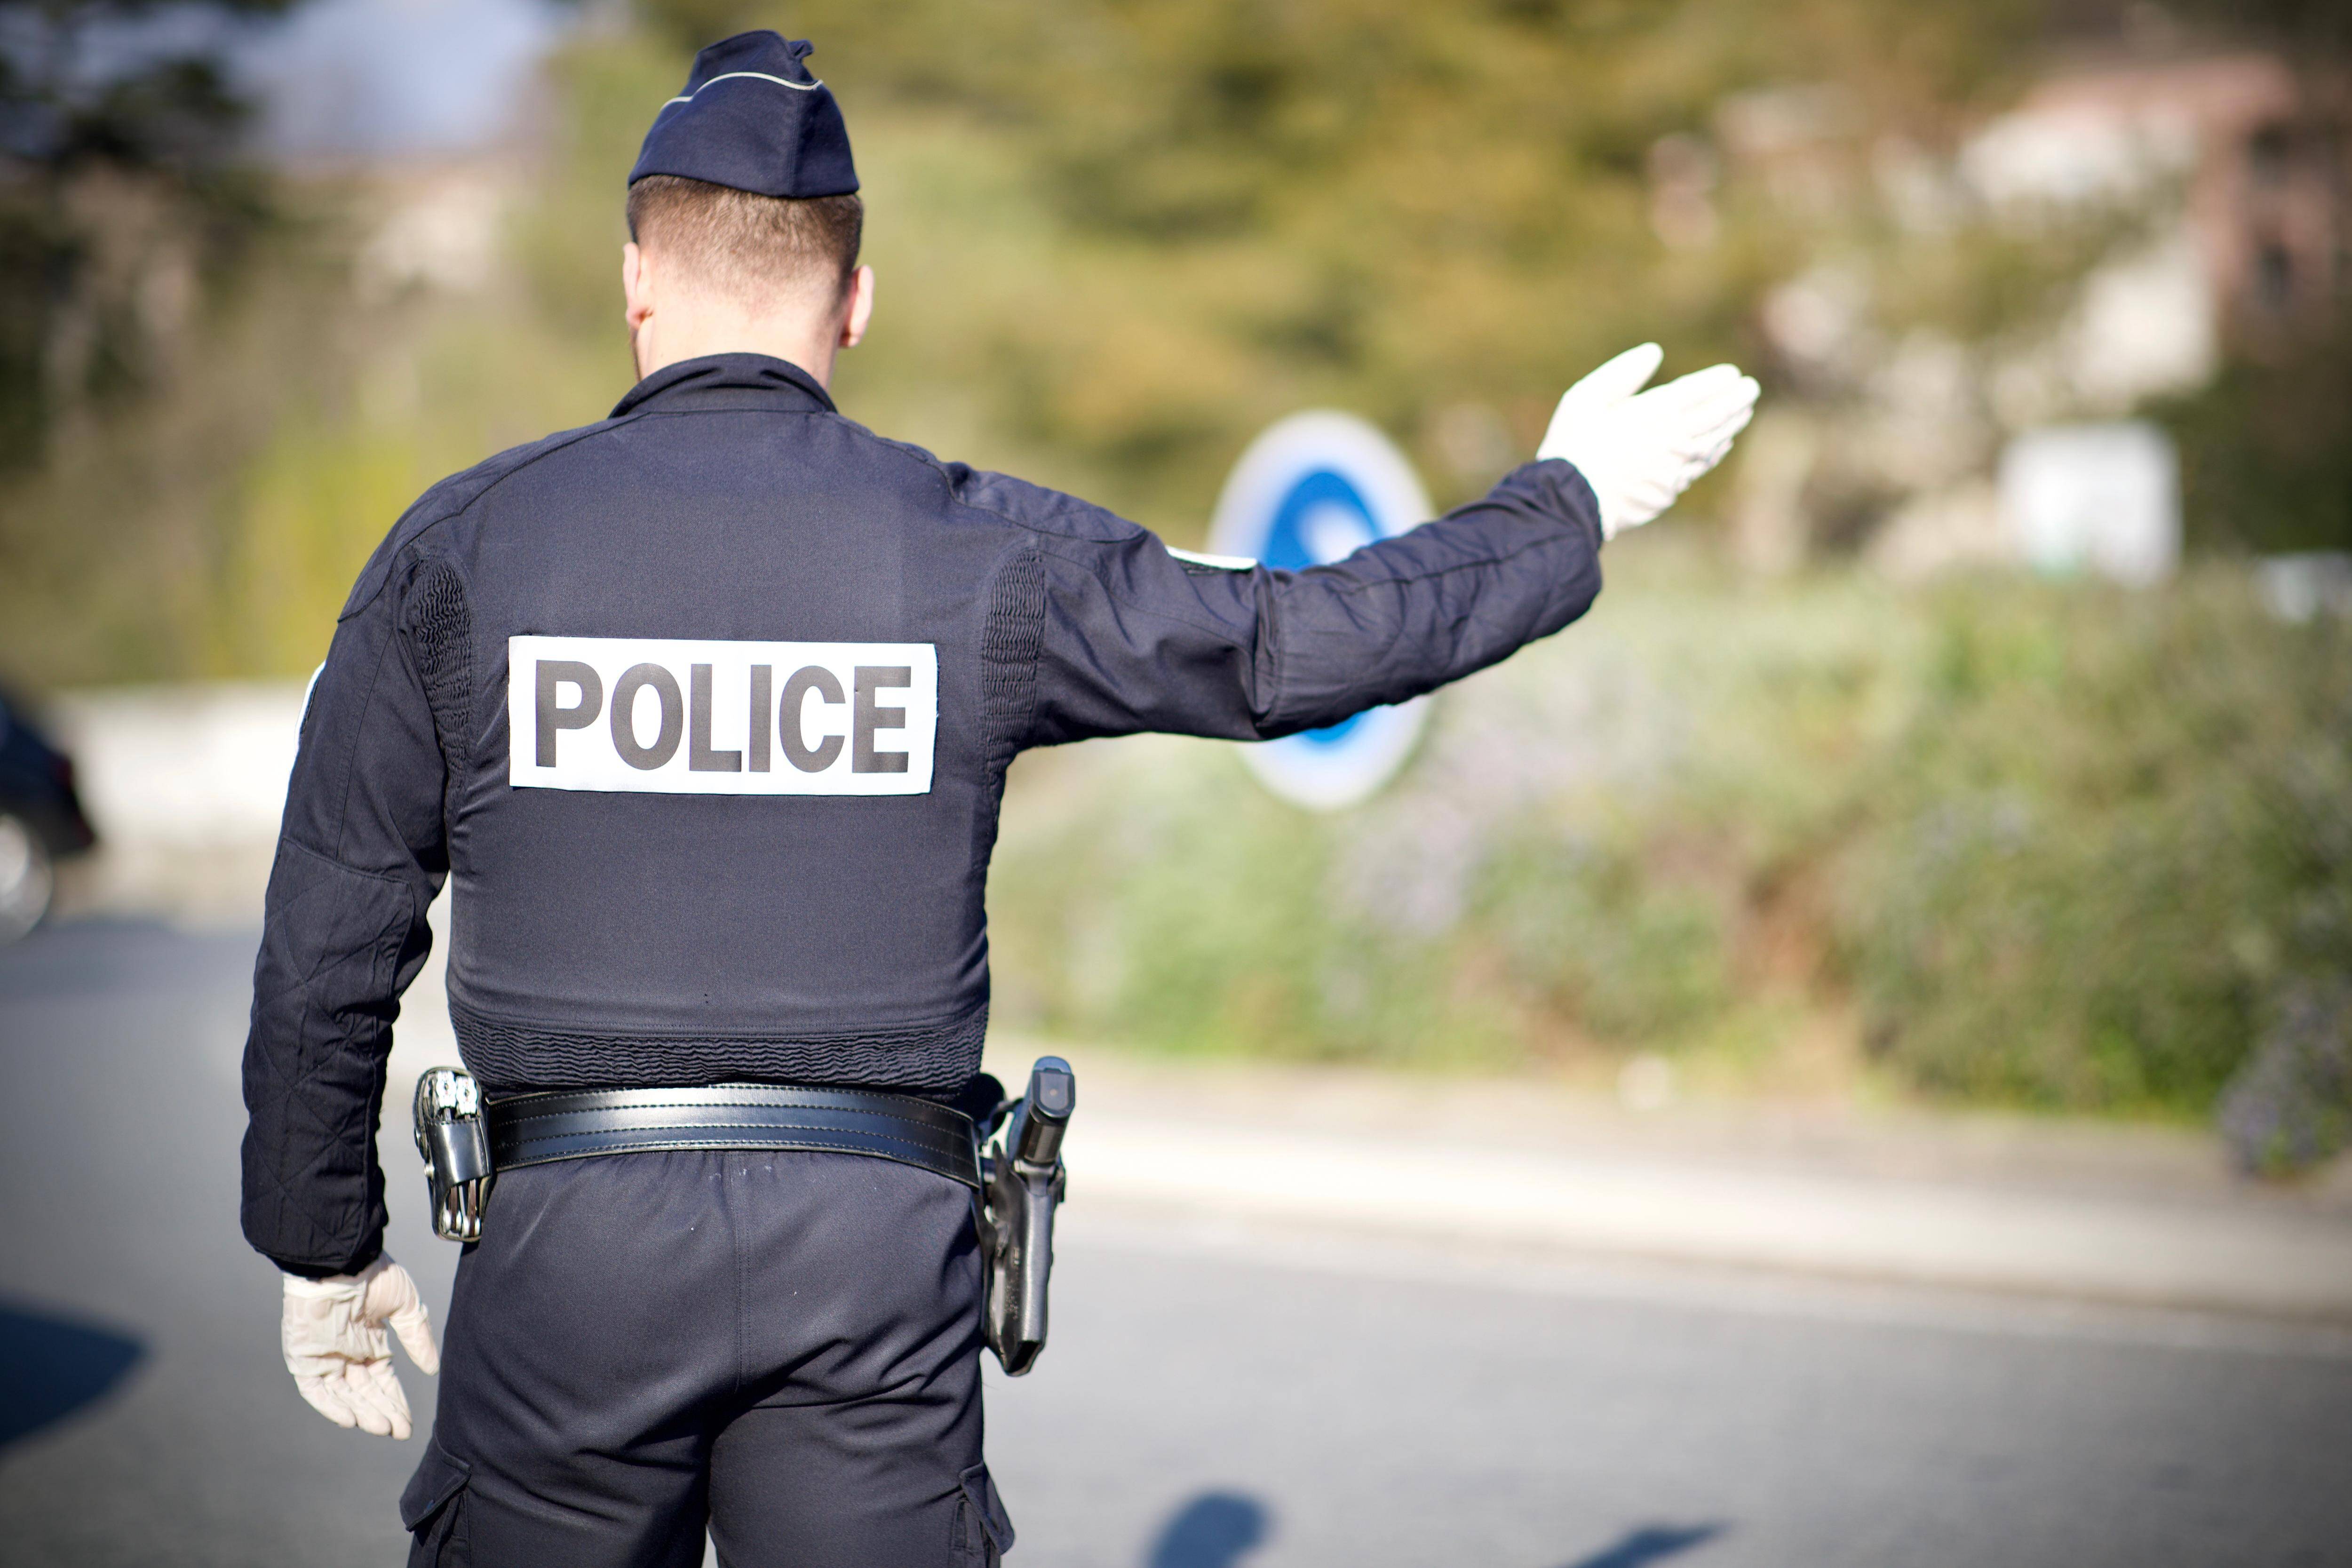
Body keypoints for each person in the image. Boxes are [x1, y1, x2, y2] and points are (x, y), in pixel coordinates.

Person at [239, 29, 1757, 1568]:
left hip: (571, 1270)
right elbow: (1288, 643)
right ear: (855, 300)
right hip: (874, 1274)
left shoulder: (465, 555)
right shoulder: (978, 556)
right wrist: (1560, 507)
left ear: (637, 278)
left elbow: (330, 936)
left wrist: (322, 1244)